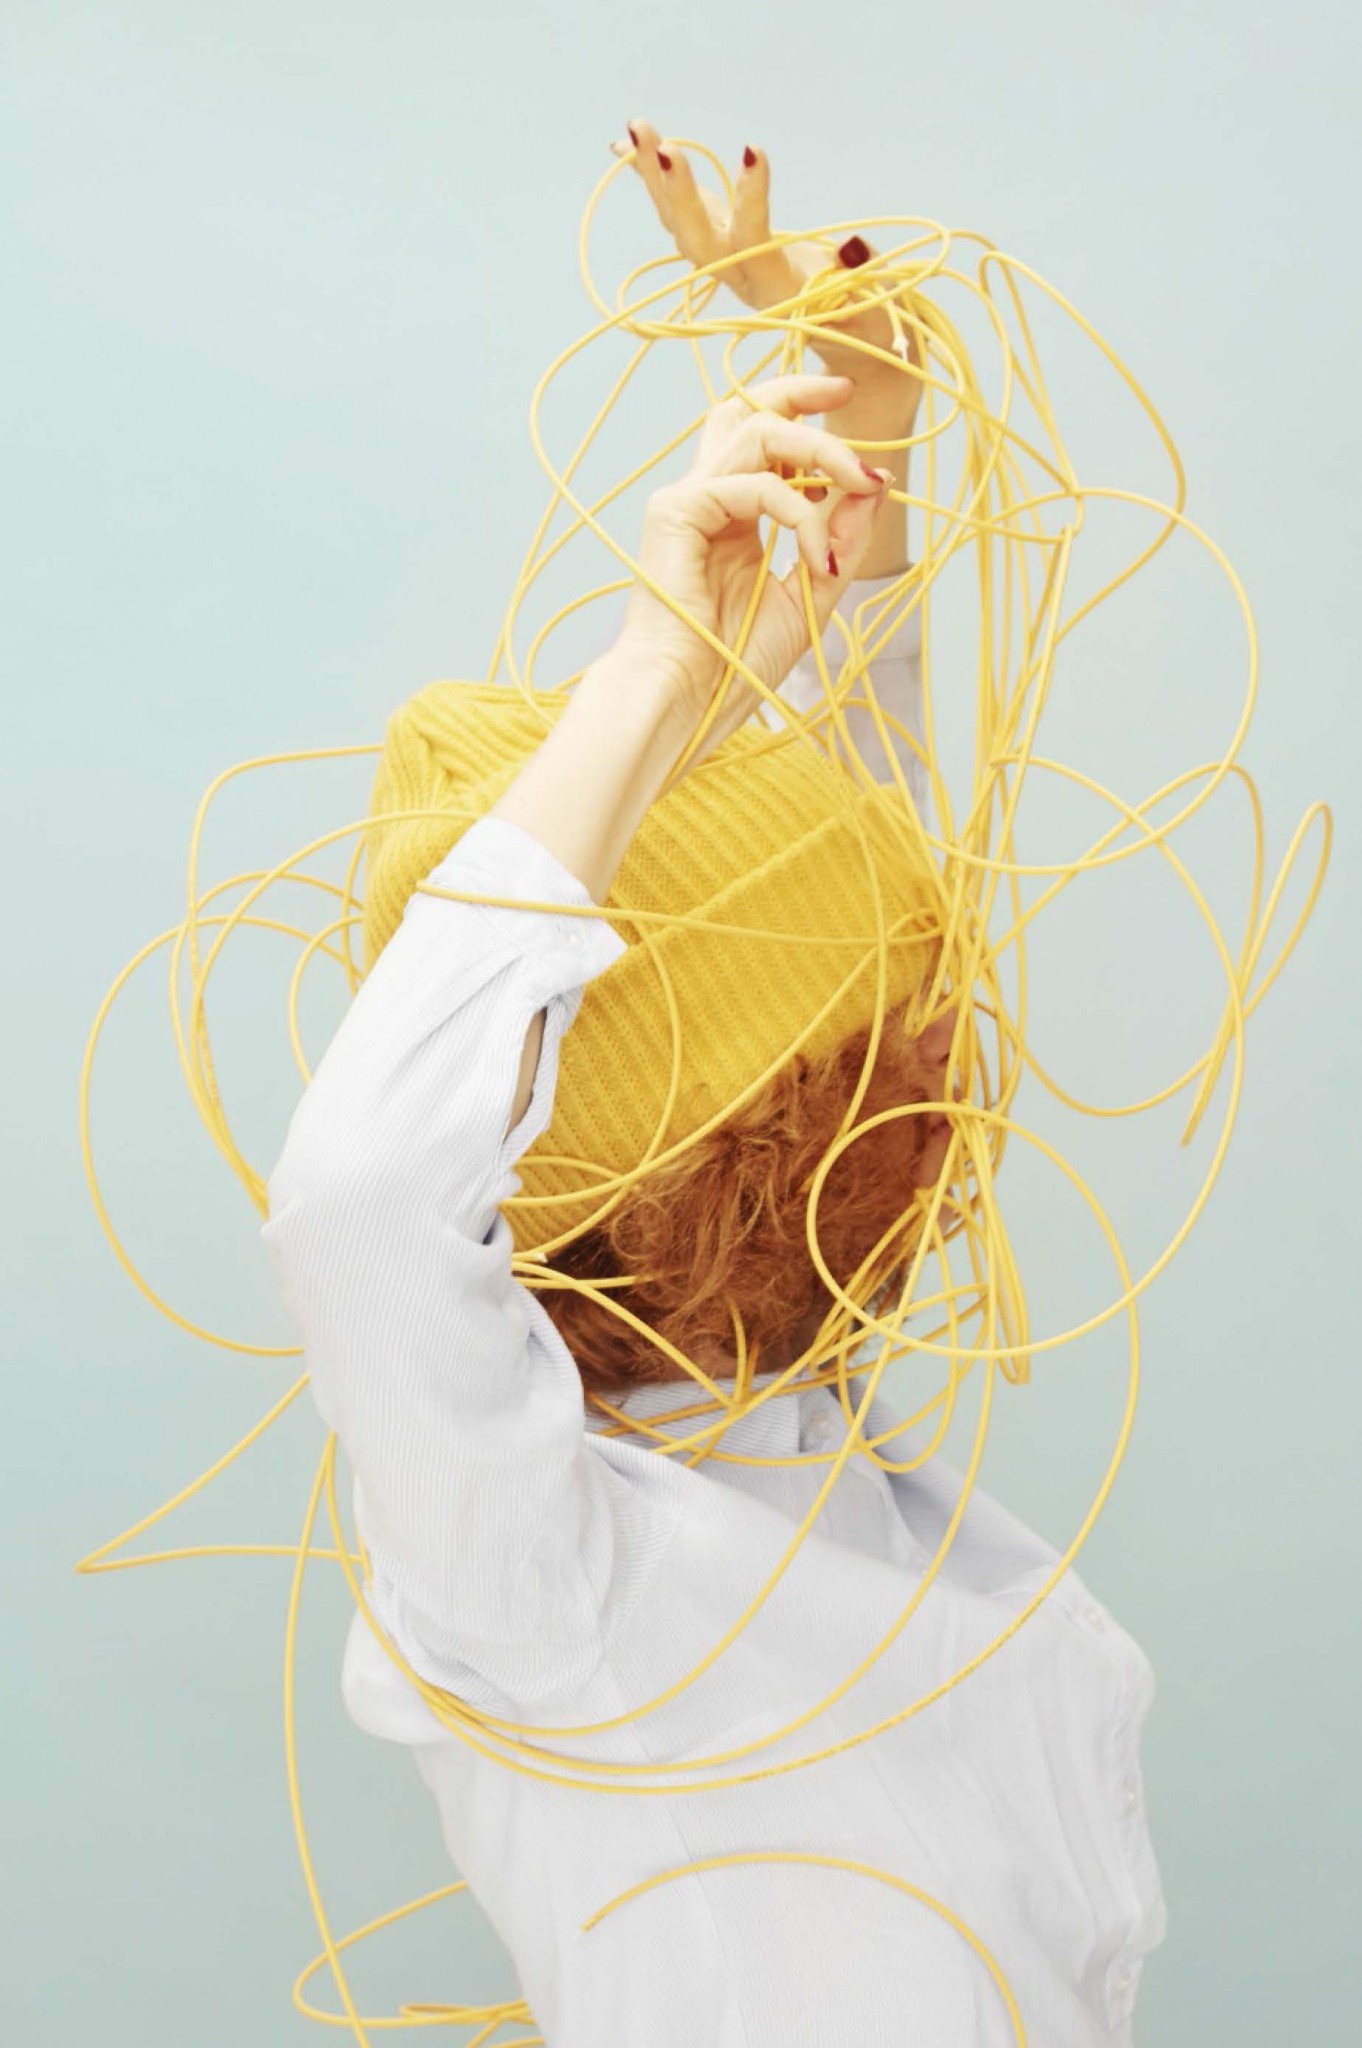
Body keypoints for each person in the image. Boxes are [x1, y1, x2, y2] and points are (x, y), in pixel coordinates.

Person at [261, 124, 1166, 2048]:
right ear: (743, 1148)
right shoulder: (538, 1569)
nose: (924, 1072)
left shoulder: (801, 1435)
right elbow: (357, 1199)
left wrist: (872, 425)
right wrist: (660, 673)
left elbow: (875, 847)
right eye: (864, 1055)